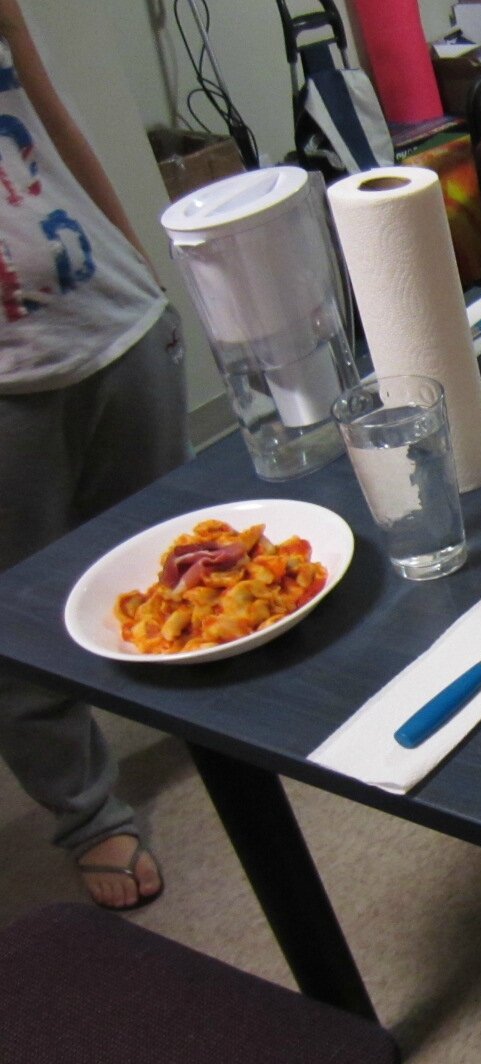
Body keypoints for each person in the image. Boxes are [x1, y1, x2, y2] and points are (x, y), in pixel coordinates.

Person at [0, 0, 188, 910]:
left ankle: (205, 714)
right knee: (18, 620)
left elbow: (50, 121)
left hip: (111, 316)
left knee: (184, 558)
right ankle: (87, 815)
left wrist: (142, 272)